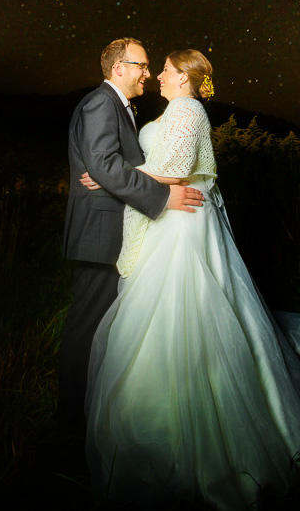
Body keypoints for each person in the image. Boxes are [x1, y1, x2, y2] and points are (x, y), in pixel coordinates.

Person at [83, 50, 300, 510]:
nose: (158, 75)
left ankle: (200, 447)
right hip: (171, 217)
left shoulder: (187, 110)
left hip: (183, 227)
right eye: (155, 68)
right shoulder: (174, 111)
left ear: (184, 78)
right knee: (169, 317)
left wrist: (109, 179)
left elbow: (177, 172)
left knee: (185, 315)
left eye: (164, 68)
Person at [58, 38, 204, 431]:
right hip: (101, 233)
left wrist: (112, 176)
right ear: (118, 68)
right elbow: (103, 164)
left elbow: (110, 169)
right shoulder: (100, 103)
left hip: (116, 230)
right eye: (141, 65)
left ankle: (95, 412)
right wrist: (162, 195)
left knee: (105, 328)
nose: (147, 72)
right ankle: (72, 422)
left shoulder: (121, 108)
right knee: (86, 329)